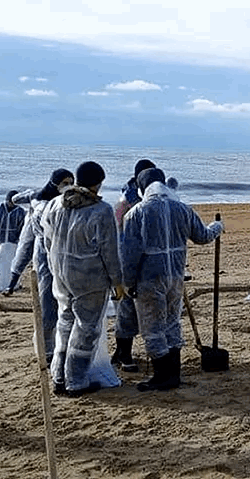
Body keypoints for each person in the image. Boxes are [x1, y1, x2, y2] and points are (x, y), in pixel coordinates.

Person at [120, 168, 223, 392]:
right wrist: (217, 227)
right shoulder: (183, 208)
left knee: (152, 327)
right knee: (172, 322)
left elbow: (129, 255)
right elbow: (202, 236)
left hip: (149, 279)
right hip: (175, 277)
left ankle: (162, 375)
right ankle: (174, 373)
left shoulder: (137, 213)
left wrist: (128, 283)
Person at [41, 161, 124, 397]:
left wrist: (55, 267)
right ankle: (76, 380)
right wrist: (117, 281)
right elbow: (110, 251)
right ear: (98, 184)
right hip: (90, 278)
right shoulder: (101, 210)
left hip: (61, 275)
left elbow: (48, 240)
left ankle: (58, 376)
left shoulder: (56, 204)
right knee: (86, 329)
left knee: (65, 323)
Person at [4, 168, 74, 364]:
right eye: (64, 183)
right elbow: (20, 199)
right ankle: (46, 349)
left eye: (71, 182)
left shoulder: (66, 202)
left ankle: (62, 346)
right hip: (44, 255)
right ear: (54, 183)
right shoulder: (41, 201)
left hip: (63, 255)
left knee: (65, 304)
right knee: (47, 303)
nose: (68, 186)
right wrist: (13, 200)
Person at [110, 159, 155, 373]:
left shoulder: (145, 198)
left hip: (145, 258)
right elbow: (119, 232)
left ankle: (122, 351)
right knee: (126, 308)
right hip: (126, 259)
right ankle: (123, 353)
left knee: (134, 310)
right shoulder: (126, 201)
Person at [0, 190, 26, 294]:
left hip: (13, 243)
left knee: (14, 263)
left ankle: (14, 284)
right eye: (10, 201)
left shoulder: (21, 212)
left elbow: (22, 228)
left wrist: (19, 241)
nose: (11, 204)